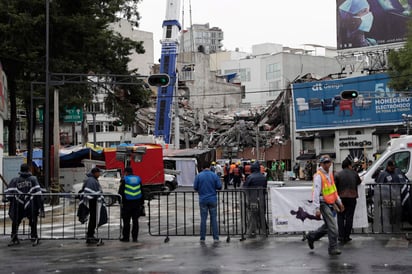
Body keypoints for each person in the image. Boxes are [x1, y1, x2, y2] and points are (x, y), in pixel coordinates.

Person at [306, 155, 345, 256]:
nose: (328, 164)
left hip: (331, 203)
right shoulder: (319, 176)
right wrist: (317, 209)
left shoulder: (330, 174)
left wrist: (339, 202)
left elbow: (334, 190)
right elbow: (316, 193)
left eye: (329, 162)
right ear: (321, 164)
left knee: (328, 226)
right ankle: (333, 248)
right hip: (323, 203)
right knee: (333, 227)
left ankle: (312, 236)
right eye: (325, 163)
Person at [5, 163, 43, 246]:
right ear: (29, 170)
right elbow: (38, 194)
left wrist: (9, 200)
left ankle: (14, 237)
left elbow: (8, 195)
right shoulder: (33, 179)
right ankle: (34, 236)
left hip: (18, 205)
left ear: (20, 170)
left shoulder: (15, 180)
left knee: (16, 221)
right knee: (33, 221)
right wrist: (41, 208)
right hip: (31, 205)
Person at [193, 162, 222, 243]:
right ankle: (215, 237)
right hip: (212, 199)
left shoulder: (198, 176)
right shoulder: (214, 175)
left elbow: (195, 187)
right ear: (209, 167)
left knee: (203, 219)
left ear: (202, 168)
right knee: (214, 219)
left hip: (203, 199)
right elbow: (219, 187)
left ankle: (202, 238)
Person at [335, 159, 361, 244]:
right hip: (352, 197)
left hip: (341, 198)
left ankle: (341, 236)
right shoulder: (354, 173)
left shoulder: (338, 174)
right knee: (349, 217)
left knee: (340, 217)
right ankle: (347, 236)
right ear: (349, 165)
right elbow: (359, 182)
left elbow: (334, 185)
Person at [118, 166, 144, 242]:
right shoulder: (138, 179)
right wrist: (142, 203)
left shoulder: (124, 180)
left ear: (126, 172)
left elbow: (121, 192)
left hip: (127, 203)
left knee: (126, 221)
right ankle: (135, 238)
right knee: (135, 221)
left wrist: (120, 202)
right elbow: (142, 191)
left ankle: (126, 238)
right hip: (136, 203)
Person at [243, 161, 268, 238]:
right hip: (261, 198)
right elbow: (265, 187)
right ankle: (264, 229)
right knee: (262, 214)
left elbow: (245, 187)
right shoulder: (263, 177)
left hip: (252, 198)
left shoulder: (250, 177)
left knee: (252, 215)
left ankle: (251, 231)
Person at [81, 167, 103, 244]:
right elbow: (89, 191)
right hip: (91, 201)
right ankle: (90, 235)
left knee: (93, 218)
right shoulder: (91, 180)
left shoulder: (92, 179)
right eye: (98, 173)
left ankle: (91, 234)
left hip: (92, 201)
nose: (99, 174)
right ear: (94, 173)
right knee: (93, 218)